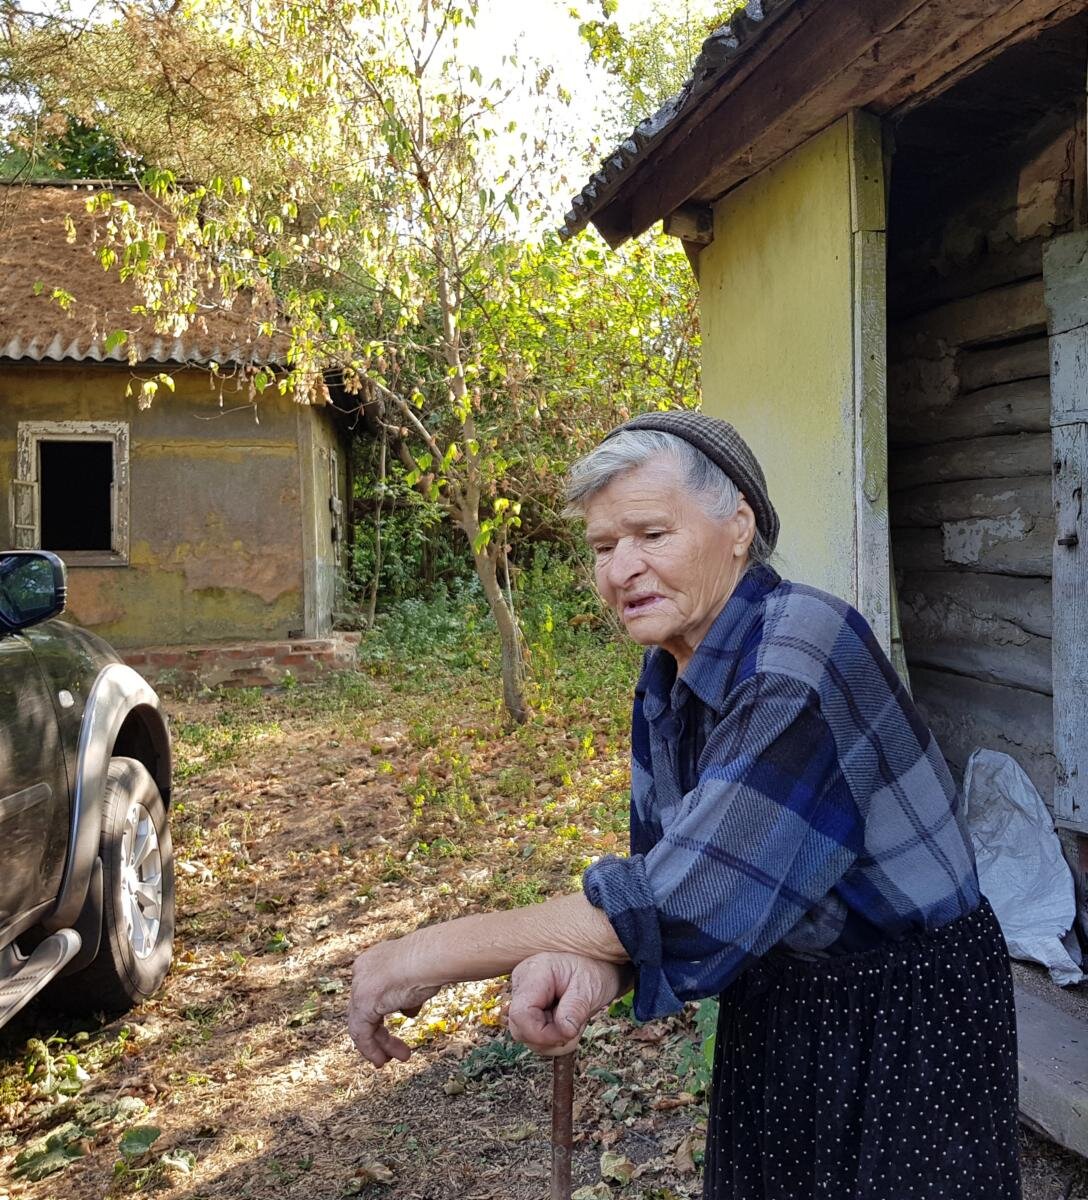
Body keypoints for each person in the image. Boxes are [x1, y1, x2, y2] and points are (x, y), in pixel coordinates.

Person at [348, 410, 1020, 1200]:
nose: (620, 569)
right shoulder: (670, 675)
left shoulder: (800, 654)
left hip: (906, 1012)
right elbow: (675, 876)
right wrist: (594, 968)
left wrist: (421, 953)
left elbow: (683, 905)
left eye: (650, 535)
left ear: (738, 526)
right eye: (603, 548)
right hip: (786, 994)